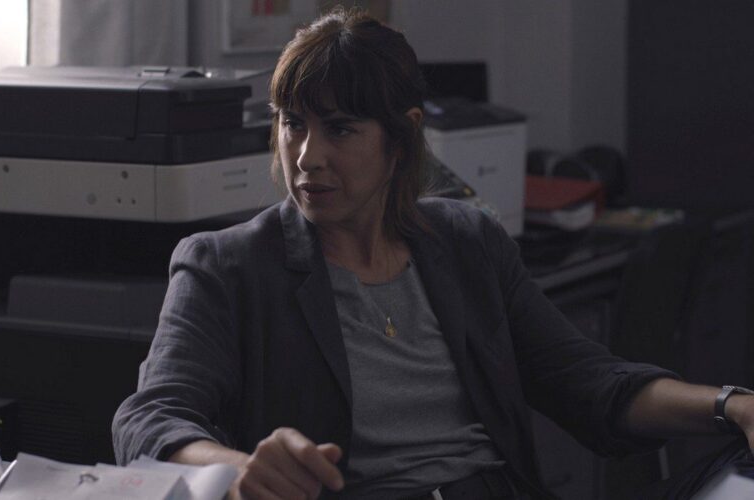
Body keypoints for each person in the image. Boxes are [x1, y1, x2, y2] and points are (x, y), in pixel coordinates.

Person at [113, 7, 754, 499]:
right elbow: (149, 419)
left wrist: (732, 406)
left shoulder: (467, 241)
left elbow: (589, 382)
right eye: (292, 123)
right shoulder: (227, 266)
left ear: (402, 137)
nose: (307, 156)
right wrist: (238, 469)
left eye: (340, 129)